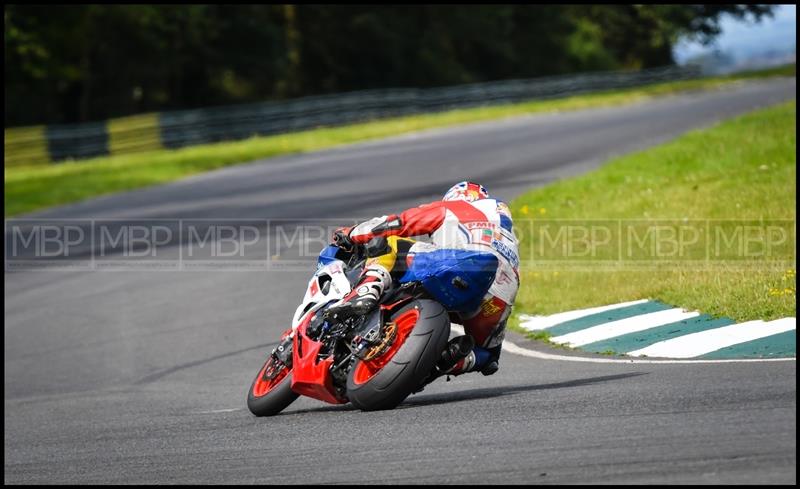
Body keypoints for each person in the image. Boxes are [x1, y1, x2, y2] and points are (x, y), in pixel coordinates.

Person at [324, 181, 520, 378]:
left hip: (457, 265)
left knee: (388, 241)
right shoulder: (507, 234)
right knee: (488, 355)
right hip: (498, 296)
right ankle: (451, 360)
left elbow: (399, 223)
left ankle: (367, 291)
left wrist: (352, 233)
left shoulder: (456, 207)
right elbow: (491, 363)